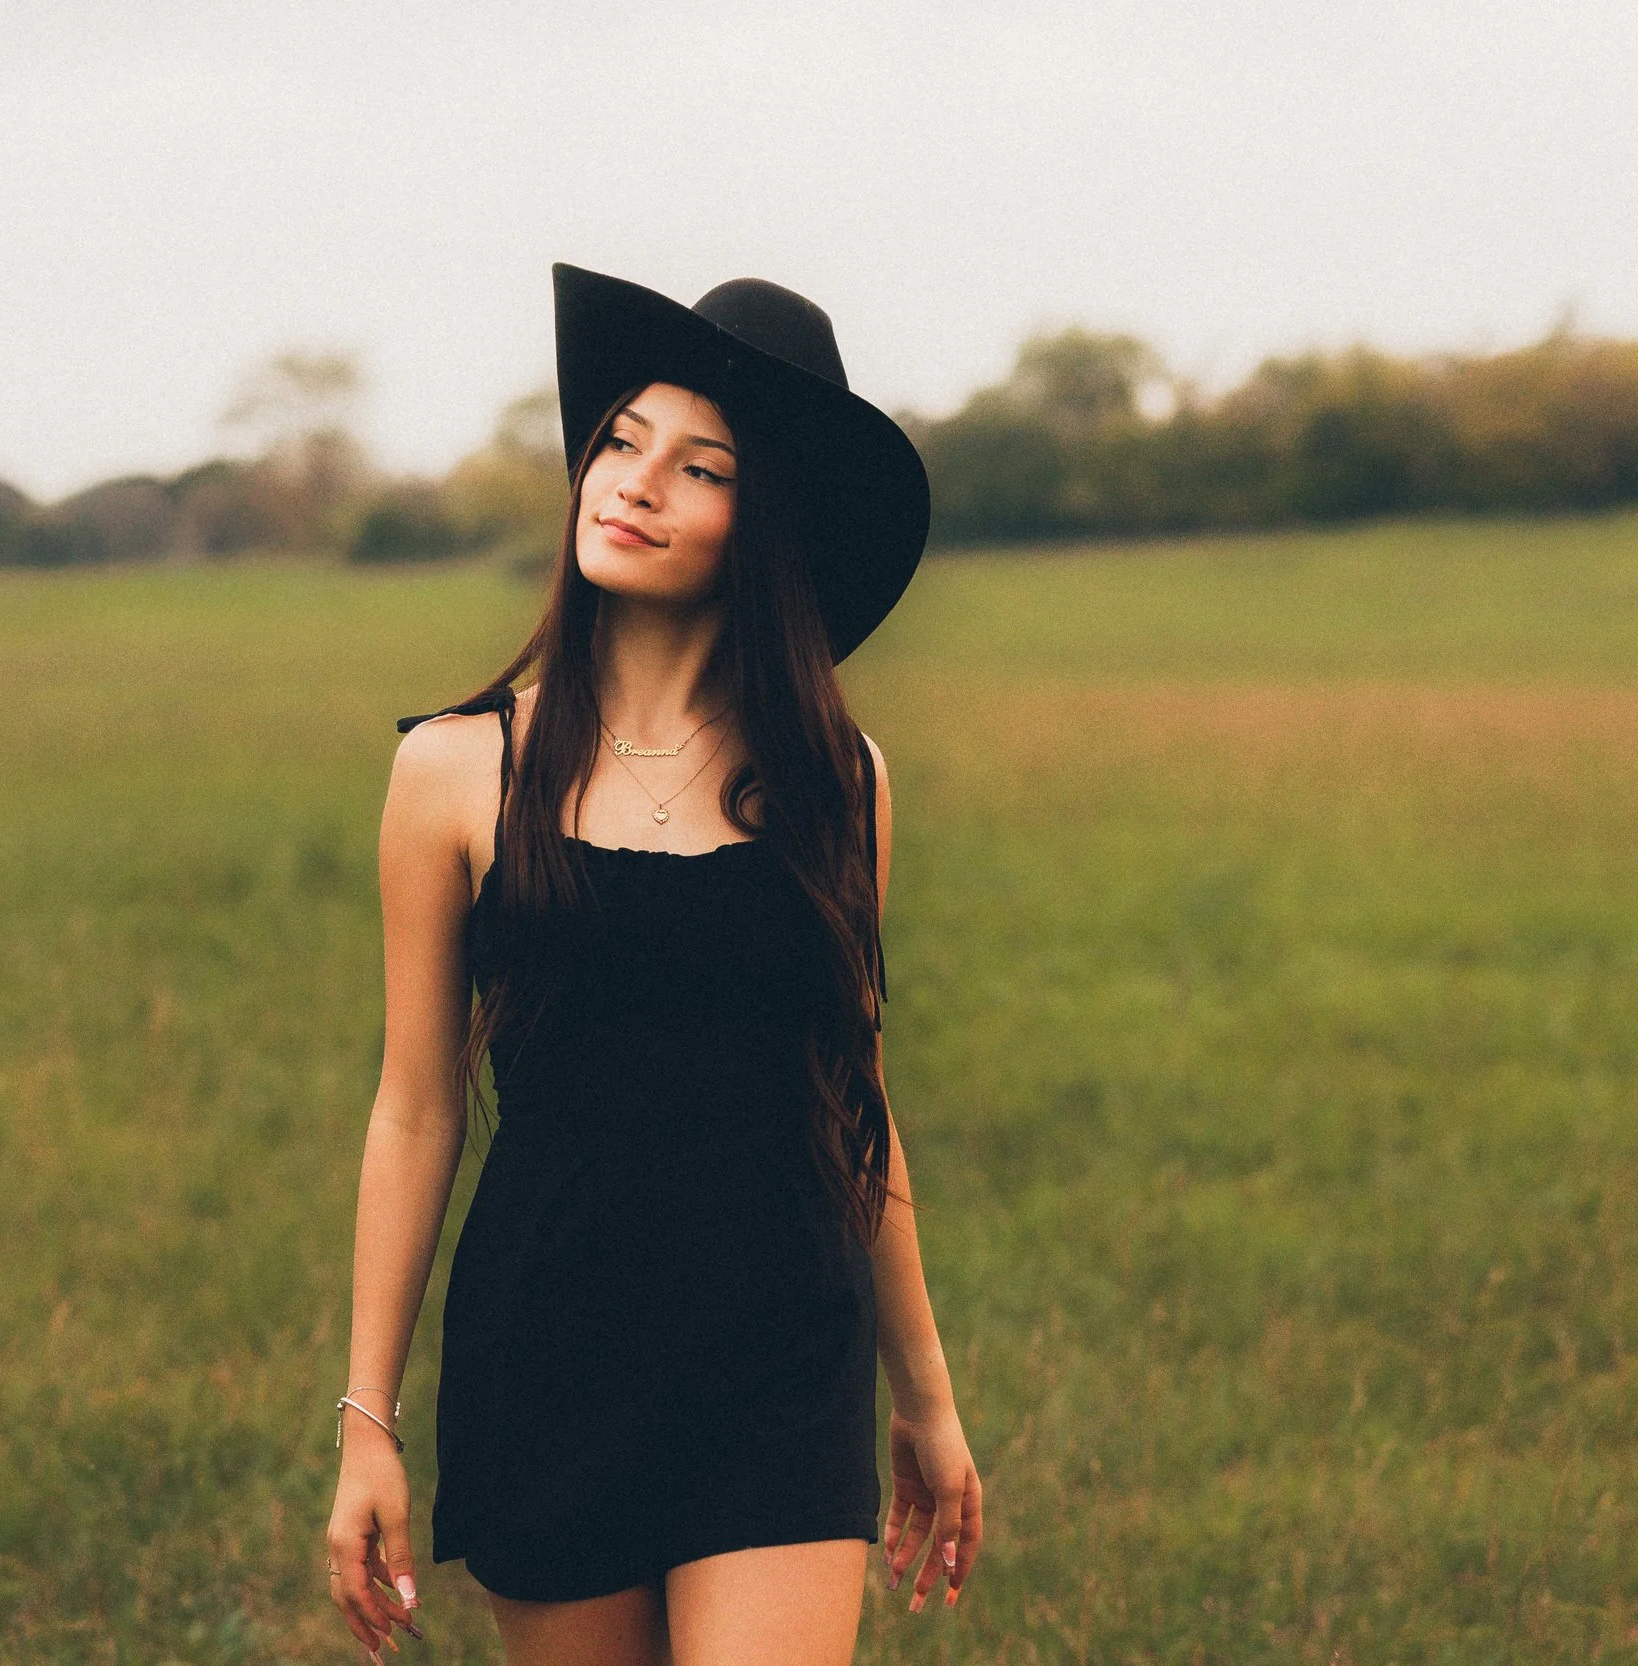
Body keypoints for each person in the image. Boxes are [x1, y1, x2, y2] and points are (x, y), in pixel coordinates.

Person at [325, 264, 982, 1666]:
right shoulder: (453, 771)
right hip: (552, 1350)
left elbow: (853, 1093)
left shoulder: (839, 782)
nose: (632, 484)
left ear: (767, 522)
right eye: (621, 442)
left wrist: (924, 1393)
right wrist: (365, 1416)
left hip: (781, 1353)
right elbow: (415, 1108)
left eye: (700, 468)